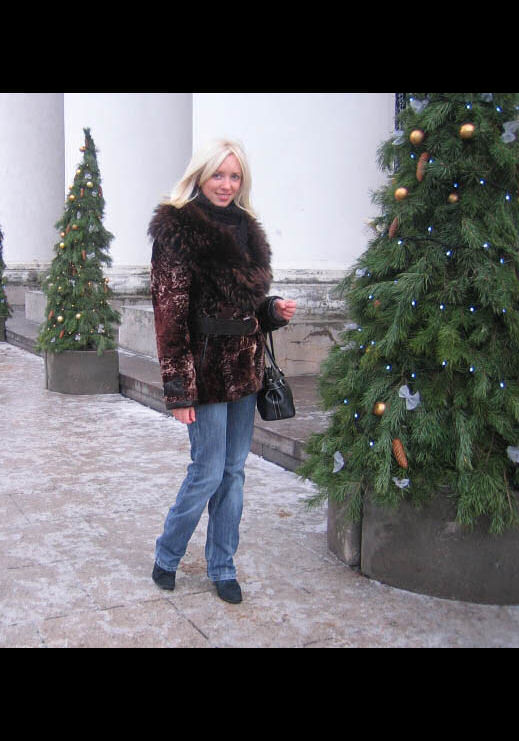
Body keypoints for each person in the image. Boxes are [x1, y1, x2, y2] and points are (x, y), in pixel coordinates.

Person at [148, 139, 297, 604]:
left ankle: (222, 566)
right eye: (218, 174)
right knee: (207, 471)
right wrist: (179, 391)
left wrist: (272, 310)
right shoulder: (178, 229)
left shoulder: (248, 228)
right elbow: (169, 315)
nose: (226, 184)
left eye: (234, 176)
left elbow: (247, 304)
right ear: (200, 175)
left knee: (234, 473)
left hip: (246, 371)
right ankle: (168, 555)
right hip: (206, 372)